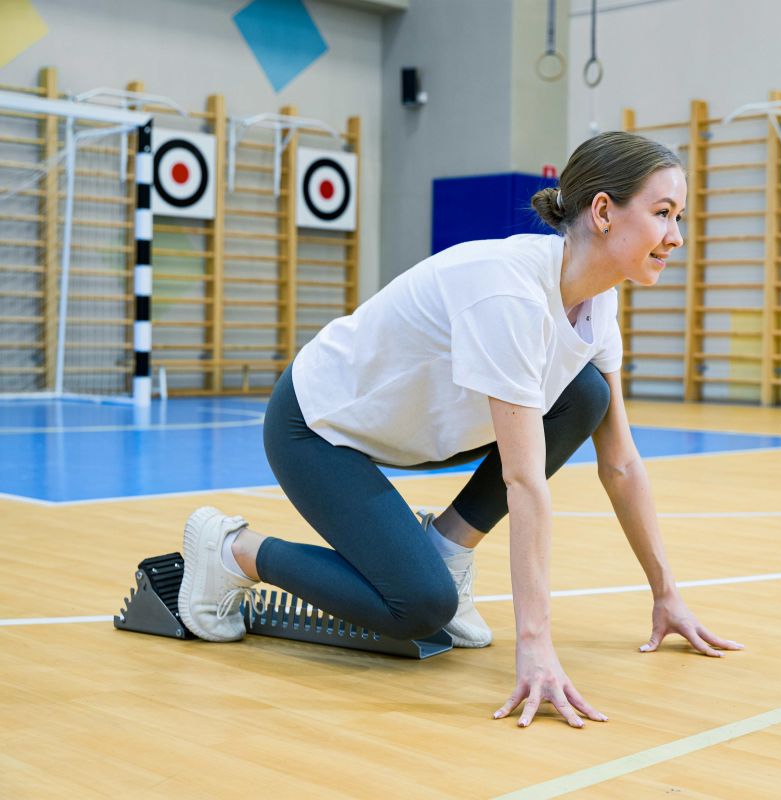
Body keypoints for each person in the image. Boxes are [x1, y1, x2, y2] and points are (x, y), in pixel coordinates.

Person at [177, 131, 743, 728]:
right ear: (603, 212)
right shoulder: (510, 293)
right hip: (317, 427)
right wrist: (535, 646)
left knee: (587, 395)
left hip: (415, 435)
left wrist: (666, 593)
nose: (676, 236)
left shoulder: (599, 303)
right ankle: (232, 550)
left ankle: (445, 550)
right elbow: (524, 482)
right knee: (420, 606)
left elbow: (621, 463)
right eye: (663, 214)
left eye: (679, 217)